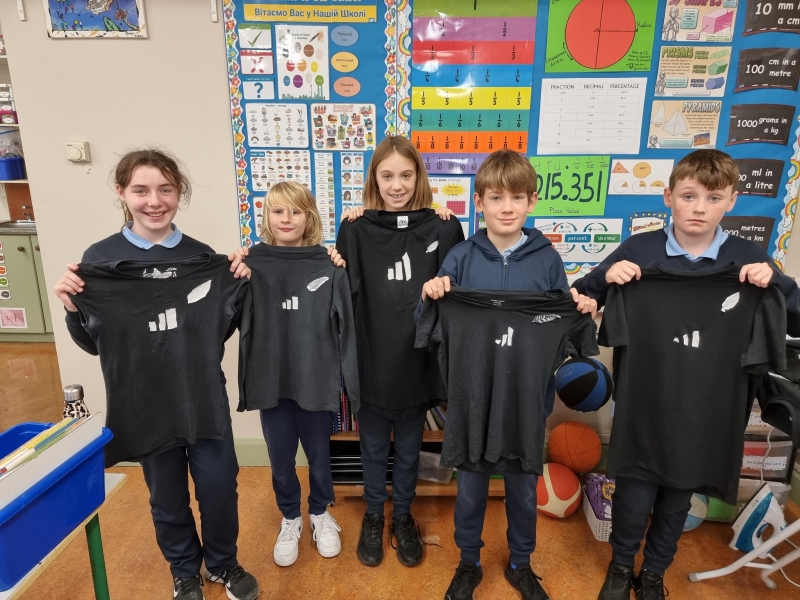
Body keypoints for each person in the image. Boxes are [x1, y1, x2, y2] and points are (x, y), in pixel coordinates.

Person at [572, 149, 800, 600]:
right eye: (689, 196)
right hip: (644, 404)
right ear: (668, 196)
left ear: (731, 201)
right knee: (633, 497)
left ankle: (654, 573)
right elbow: (581, 297)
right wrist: (607, 277)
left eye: (713, 198)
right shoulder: (639, 250)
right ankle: (621, 566)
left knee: (678, 500)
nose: (699, 208)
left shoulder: (746, 257)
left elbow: (794, 317)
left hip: (707, 411)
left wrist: (776, 282)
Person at [53, 149, 258, 600]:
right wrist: (72, 309)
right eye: (141, 190)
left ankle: (223, 564)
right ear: (122, 193)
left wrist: (237, 284)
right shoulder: (101, 259)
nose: (154, 201)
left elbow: (216, 332)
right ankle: (184, 571)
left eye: (165, 189)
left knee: (220, 487)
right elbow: (96, 342)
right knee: (166, 496)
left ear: (178, 193)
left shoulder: (201, 257)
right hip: (145, 402)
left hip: (202, 397)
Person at [420, 149, 596, 600]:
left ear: (532, 201)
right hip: (472, 400)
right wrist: (433, 292)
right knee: (470, 490)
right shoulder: (460, 257)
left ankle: (521, 563)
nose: (506, 207)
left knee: (522, 490)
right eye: (496, 198)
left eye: (517, 197)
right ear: (479, 202)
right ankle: (468, 562)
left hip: (524, 400)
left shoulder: (547, 261)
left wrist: (578, 307)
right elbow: (428, 325)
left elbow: (565, 329)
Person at [335, 135, 464, 568]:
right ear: (374, 178)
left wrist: (443, 220)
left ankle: (403, 516)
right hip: (372, 359)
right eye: (387, 175)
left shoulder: (444, 227)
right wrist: (354, 222)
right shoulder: (354, 229)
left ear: (418, 176)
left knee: (409, 449)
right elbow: (340, 292)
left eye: (406, 175)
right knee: (372, 447)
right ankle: (374, 515)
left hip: (417, 361)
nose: (397, 185)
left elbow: (458, 288)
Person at [234, 182, 358, 568]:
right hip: (270, 379)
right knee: (280, 458)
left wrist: (352, 386)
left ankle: (320, 512)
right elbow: (226, 317)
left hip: (315, 378)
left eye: (296, 211)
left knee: (320, 455)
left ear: (310, 218)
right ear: (266, 217)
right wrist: (233, 273)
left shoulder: (328, 263)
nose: (286, 219)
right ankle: (290, 517)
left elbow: (347, 327)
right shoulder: (249, 263)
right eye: (278, 211)